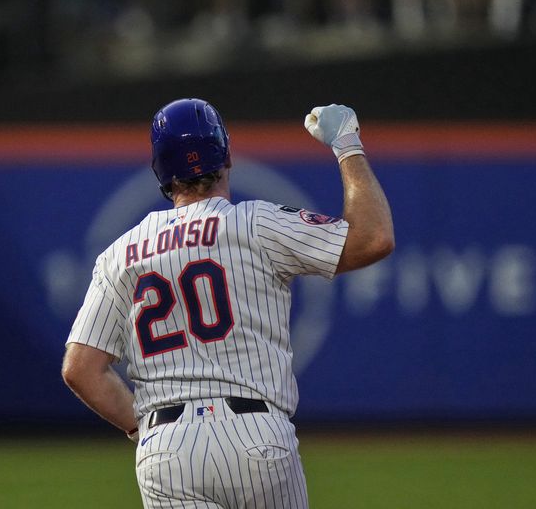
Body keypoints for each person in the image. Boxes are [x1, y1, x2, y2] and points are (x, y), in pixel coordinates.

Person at [62, 98, 394, 508]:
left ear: (160, 171)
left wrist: (143, 427)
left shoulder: (121, 253)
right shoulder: (256, 223)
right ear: (228, 155)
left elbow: (80, 369)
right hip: (257, 435)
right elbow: (373, 237)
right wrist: (347, 144)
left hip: (166, 447)